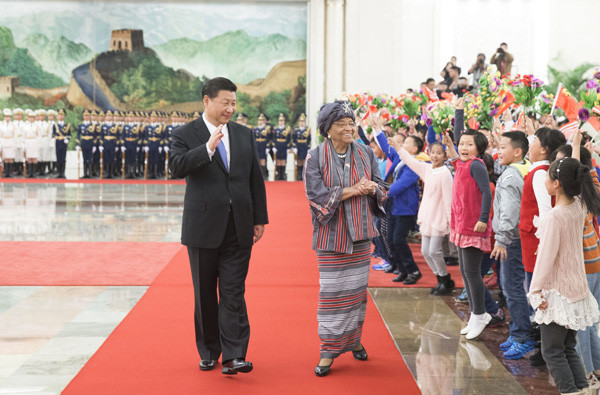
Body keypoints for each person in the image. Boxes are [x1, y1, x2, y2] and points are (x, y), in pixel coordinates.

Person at [169, 77, 268, 376]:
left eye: (234, 103)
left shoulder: (243, 134)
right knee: (205, 294)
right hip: (202, 226)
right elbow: (175, 167)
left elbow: (254, 179)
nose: (230, 109)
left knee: (233, 291)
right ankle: (210, 350)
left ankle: (235, 355)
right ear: (207, 101)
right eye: (225, 103)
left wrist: (259, 217)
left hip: (238, 225)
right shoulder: (186, 133)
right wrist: (207, 149)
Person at [303, 100, 388, 377]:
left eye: (352, 124)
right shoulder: (315, 157)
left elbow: (382, 187)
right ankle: (328, 350)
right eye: (342, 124)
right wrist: (353, 190)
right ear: (328, 129)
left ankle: (354, 341)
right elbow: (315, 195)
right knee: (331, 294)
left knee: (355, 294)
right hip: (331, 237)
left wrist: (373, 188)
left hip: (362, 235)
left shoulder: (365, 152)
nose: (349, 128)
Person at [527, 153, 600, 394]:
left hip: (558, 292)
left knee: (552, 351)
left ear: (557, 184)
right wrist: (576, 149)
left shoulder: (555, 217)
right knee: (567, 348)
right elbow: (575, 172)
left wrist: (535, 291)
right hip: (576, 288)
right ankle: (584, 390)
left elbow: (545, 260)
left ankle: (571, 391)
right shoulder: (580, 205)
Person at [376, 114, 454, 294]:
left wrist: (452, 224)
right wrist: (397, 147)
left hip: (440, 217)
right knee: (426, 252)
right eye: (433, 153)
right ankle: (441, 278)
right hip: (427, 216)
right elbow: (410, 161)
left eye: (439, 153)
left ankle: (445, 279)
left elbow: (449, 200)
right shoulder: (426, 169)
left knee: (434, 251)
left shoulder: (445, 173)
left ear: (445, 156)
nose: (435, 156)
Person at [519, 127, 566, 365]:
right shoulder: (540, 170)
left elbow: (547, 212)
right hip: (534, 241)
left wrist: (544, 243)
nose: (530, 143)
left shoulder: (539, 174)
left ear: (545, 149)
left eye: (534, 140)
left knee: (538, 293)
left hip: (537, 242)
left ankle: (543, 348)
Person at [443, 125, 493, 340]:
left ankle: (481, 314)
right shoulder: (462, 164)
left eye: (468, 144)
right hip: (462, 224)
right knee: (465, 271)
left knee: (473, 273)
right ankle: (475, 314)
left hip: (474, 225)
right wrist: (450, 143)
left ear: (478, 148)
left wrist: (483, 218)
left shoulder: (476, 165)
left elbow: (487, 192)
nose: (463, 147)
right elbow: (455, 156)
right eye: (461, 143)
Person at [489, 131, 535, 360]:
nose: (498, 150)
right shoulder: (524, 167)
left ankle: (522, 336)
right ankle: (521, 330)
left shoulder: (510, 177)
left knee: (512, 288)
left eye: (503, 147)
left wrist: (501, 239)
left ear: (517, 151)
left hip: (512, 240)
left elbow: (509, 211)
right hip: (519, 237)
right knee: (516, 286)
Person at [375, 130, 429, 284]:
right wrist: (377, 129)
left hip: (405, 207)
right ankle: (403, 270)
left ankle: (413, 270)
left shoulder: (416, 164)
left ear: (414, 149)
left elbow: (401, 185)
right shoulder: (401, 159)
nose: (402, 145)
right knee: (391, 240)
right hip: (393, 205)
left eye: (406, 143)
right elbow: (386, 147)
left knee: (398, 240)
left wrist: (381, 192)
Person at [292, 113, 311, 181]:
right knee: (299, 160)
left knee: (304, 160)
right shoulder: (296, 130)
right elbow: (293, 139)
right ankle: (299, 175)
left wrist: (309, 148)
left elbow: (309, 139)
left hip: (305, 146)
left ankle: (303, 175)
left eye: (303, 122)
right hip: (298, 146)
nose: (302, 123)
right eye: (300, 122)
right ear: (298, 122)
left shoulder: (308, 129)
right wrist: (294, 147)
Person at [272, 113, 291, 180]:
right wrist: (273, 146)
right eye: (280, 121)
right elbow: (273, 138)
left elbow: (289, 139)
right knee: (278, 160)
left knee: (283, 160)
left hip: (284, 145)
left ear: (284, 121)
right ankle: (279, 174)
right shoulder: (275, 129)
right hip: (277, 145)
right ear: (278, 121)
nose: (281, 122)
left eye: (282, 121)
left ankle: (283, 174)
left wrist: (288, 147)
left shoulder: (287, 129)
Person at [53, 109, 70, 179]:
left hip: (64, 142)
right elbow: (53, 134)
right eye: (59, 114)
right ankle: (58, 173)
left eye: (62, 114)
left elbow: (69, 135)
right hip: (57, 142)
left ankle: (63, 173)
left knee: (63, 158)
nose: (61, 116)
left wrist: (67, 139)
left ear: (64, 116)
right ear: (57, 116)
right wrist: (53, 139)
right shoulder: (55, 125)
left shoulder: (67, 125)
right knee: (58, 158)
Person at [253, 113, 270, 180]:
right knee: (257, 160)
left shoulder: (266, 129)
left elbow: (269, 138)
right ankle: (258, 175)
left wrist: (268, 147)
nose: (260, 122)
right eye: (259, 120)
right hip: (257, 145)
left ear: (264, 121)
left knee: (263, 160)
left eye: (262, 120)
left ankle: (264, 174)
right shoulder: (255, 129)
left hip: (263, 145)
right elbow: (253, 138)